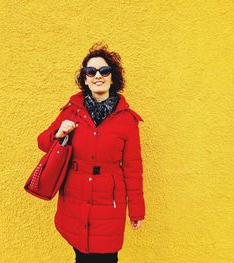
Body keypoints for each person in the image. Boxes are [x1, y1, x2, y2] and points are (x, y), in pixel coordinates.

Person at [37, 42, 146, 263]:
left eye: (104, 71)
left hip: (109, 203)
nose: (98, 75)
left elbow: (133, 168)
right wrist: (59, 132)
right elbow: (42, 142)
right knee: (81, 256)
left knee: (107, 258)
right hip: (75, 200)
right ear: (85, 79)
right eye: (91, 71)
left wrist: (137, 210)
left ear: (112, 78)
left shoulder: (127, 120)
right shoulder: (71, 111)